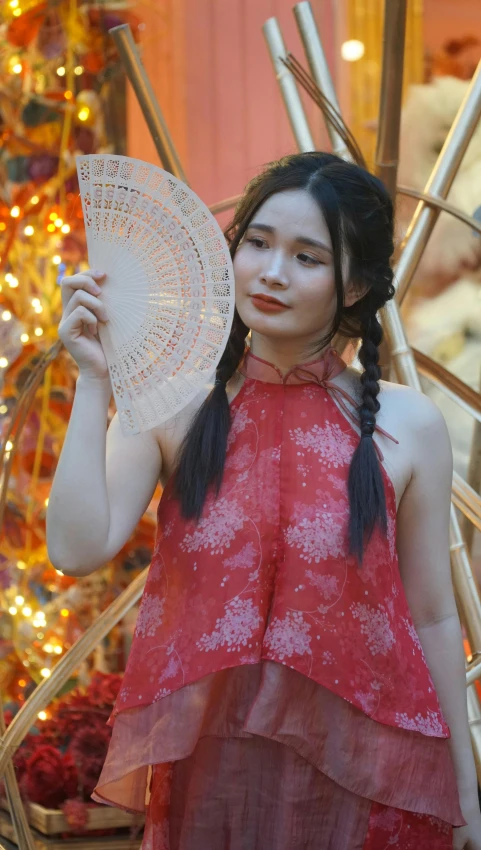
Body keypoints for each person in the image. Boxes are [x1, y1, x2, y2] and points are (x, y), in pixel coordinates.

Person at [47, 151, 481, 850]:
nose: (271, 272)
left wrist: (464, 789)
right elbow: (75, 548)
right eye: (257, 243)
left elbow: (431, 619)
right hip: (218, 776)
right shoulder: (172, 405)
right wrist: (95, 380)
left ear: (354, 286)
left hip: (368, 778)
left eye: (307, 257)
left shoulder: (408, 425)